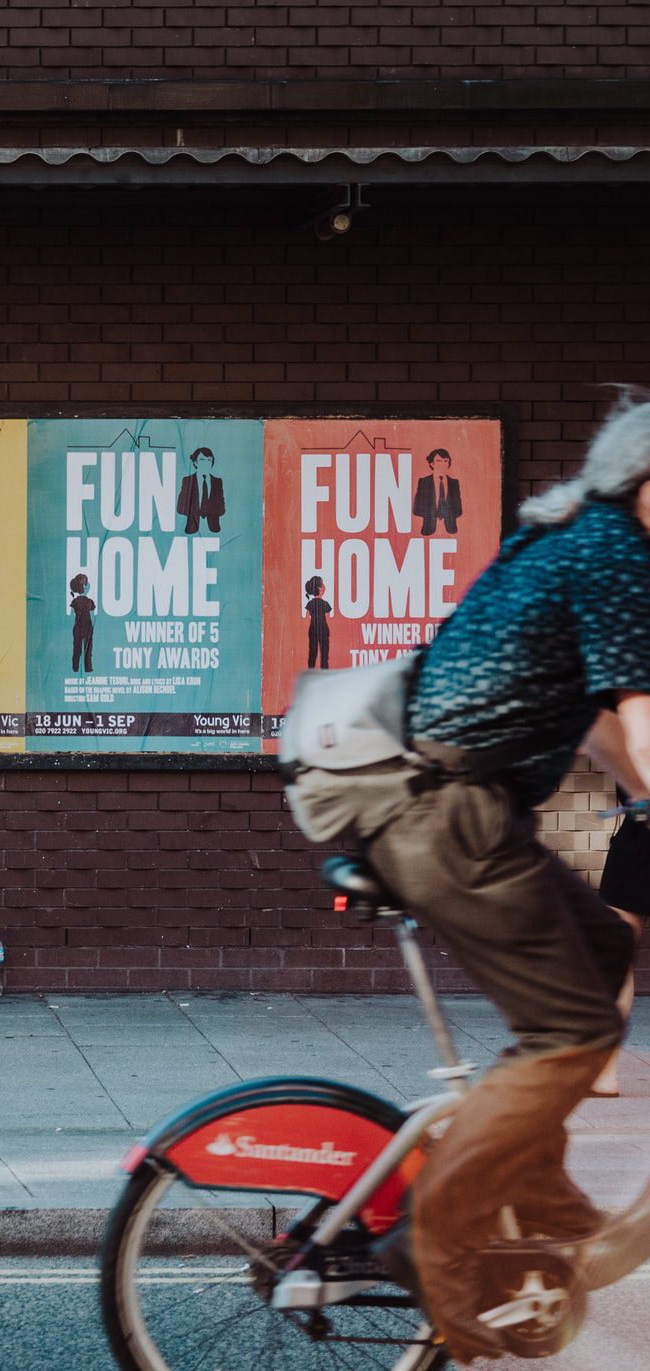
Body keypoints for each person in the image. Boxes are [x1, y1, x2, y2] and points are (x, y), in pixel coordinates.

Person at [353, 393, 650, 1363]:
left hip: (443, 803)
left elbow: (607, 726)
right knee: (572, 1028)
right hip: (444, 810)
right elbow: (641, 719)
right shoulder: (615, 551)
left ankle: (537, 1196)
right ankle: (432, 1231)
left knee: (604, 945)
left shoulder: (572, 537)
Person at [591, 793, 648, 1097]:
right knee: (614, 954)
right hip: (637, 835)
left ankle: (604, 1074)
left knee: (615, 956)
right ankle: (603, 1074)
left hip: (640, 835)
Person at [414, 447, 464, 536]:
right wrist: (433, 514)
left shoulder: (454, 483)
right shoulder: (424, 482)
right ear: (432, 464)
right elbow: (417, 509)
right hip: (428, 530)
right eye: (439, 461)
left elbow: (459, 510)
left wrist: (448, 515)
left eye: (446, 461)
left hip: (451, 531)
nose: (443, 464)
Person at [175, 447, 225, 534]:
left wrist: (212, 512)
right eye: (202, 460)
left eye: (209, 460)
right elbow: (180, 507)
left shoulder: (218, 482)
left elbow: (221, 507)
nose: (206, 463)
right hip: (192, 529)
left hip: (214, 529)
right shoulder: (187, 480)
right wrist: (195, 512)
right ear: (195, 462)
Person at [304, 574, 333, 669]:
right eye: (323, 585)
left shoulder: (310, 604)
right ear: (320, 588)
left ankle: (311, 673)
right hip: (323, 630)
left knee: (313, 653)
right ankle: (324, 675)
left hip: (313, 629)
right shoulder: (325, 604)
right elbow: (328, 618)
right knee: (324, 655)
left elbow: (307, 617)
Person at [69, 572, 96, 672]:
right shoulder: (90, 601)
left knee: (77, 649)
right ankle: (87, 668)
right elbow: (93, 616)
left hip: (77, 627)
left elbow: (72, 616)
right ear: (84, 587)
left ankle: (75, 667)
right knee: (87, 649)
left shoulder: (74, 601)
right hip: (87, 627)